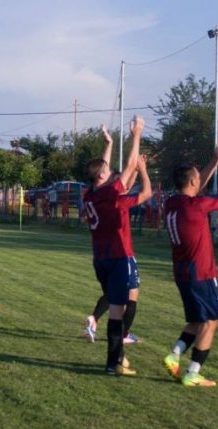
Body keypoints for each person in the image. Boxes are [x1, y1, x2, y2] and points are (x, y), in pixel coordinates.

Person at [162, 137, 218, 387]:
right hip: (201, 272)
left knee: (197, 320)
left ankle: (174, 354)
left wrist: (216, 160)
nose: (201, 180)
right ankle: (193, 372)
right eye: (198, 177)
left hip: (182, 271)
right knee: (210, 321)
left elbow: (195, 186)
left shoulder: (171, 203)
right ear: (193, 182)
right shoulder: (196, 206)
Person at [83, 119, 152, 376]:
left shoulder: (90, 194)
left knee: (116, 306)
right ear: (102, 176)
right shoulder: (109, 193)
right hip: (117, 257)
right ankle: (113, 363)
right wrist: (137, 135)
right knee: (116, 312)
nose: (110, 170)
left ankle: (118, 359)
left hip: (100, 259)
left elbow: (107, 171)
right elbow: (131, 166)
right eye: (107, 169)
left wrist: (109, 143)